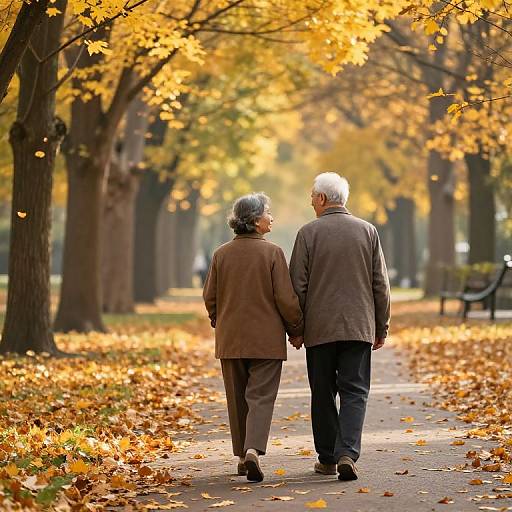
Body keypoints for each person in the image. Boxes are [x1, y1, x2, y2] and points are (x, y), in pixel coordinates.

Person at [289, 172, 390, 481]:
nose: (310, 201)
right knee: (355, 392)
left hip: (319, 330)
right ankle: (348, 452)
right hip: (359, 327)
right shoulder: (367, 231)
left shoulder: (308, 234)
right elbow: (380, 285)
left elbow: (297, 286)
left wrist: (297, 328)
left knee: (322, 392)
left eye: (311, 196)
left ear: (322, 199)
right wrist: (381, 327)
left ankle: (328, 458)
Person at [203, 193, 303, 482]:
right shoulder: (272, 253)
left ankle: (240, 456)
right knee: (260, 397)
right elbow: (286, 299)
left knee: (237, 398)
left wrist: (218, 320)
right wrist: (296, 328)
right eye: (268, 213)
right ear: (256, 220)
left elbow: (210, 296)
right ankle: (253, 450)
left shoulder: (221, 254)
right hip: (266, 341)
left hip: (231, 338)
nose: (272, 218)